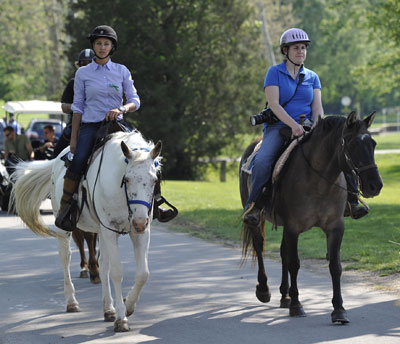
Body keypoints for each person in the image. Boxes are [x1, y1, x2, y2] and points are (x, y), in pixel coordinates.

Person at [55, 25, 177, 231]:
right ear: (93, 46)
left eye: (106, 44)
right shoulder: (83, 73)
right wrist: (74, 138)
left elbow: (135, 100)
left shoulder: (122, 71)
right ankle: (66, 208)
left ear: (112, 47)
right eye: (98, 44)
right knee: (77, 163)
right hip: (90, 126)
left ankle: (156, 203)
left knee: (149, 159)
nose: (102, 47)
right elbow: (77, 108)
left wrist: (121, 108)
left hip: (118, 125)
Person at [244, 28, 368, 226]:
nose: (300, 51)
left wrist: (320, 129)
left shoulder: (312, 77)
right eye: (295, 48)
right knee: (263, 161)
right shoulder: (274, 73)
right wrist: (293, 126)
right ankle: (254, 206)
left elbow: (317, 107)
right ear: (285, 51)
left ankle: (353, 201)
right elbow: (274, 105)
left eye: (303, 47)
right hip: (279, 128)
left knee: (340, 152)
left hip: (310, 127)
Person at [54, 49, 95, 158]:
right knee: (58, 149)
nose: (87, 66)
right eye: (83, 64)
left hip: (101, 121)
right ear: (78, 65)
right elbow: (64, 107)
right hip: (78, 123)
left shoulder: (104, 81)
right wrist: (77, 107)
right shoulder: (73, 83)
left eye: (90, 63)